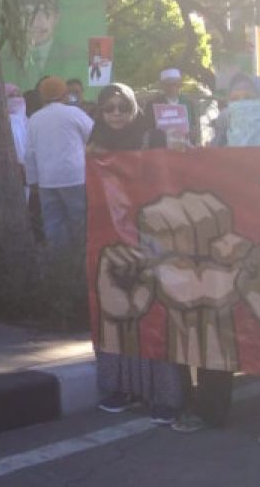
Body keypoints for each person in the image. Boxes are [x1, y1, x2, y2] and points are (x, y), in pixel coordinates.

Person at [173, 72, 260, 445]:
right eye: (236, 97)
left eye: (251, 96)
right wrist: (182, 159)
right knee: (217, 330)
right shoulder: (216, 144)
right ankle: (209, 409)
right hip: (224, 253)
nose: (242, 103)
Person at [86, 84, 184, 424]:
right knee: (115, 311)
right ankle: (121, 388)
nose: (115, 114)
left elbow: (176, 176)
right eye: (108, 108)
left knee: (155, 311)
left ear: (134, 109)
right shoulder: (94, 142)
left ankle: (166, 396)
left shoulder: (154, 137)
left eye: (123, 108)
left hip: (154, 236)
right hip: (108, 237)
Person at [25, 76, 93, 250]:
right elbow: (93, 136)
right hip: (74, 177)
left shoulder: (34, 119)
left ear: (42, 96)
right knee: (79, 221)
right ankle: (80, 261)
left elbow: (30, 153)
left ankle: (58, 265)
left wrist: (32, 181)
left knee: (53, 224)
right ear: (64, 95)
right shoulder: (75, 113)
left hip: (47, 180)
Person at [146, 68, 202, 146]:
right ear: (163, 86)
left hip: (184, 145)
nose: (172, 87)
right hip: (162, 147)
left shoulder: (188, 103)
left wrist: (192, 133)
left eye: (175, 84)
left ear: (179, 85)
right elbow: (148, 129)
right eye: (168, 84)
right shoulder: (153, 104)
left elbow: (193, 125)